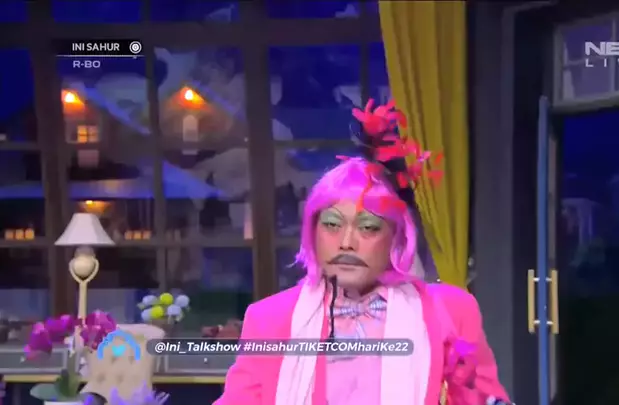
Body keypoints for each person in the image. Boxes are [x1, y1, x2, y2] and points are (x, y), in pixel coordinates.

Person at [214, 100, 513, 405]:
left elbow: (484, 399)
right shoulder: (269, 319)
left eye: (368, 227)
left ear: (397, 237)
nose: (347, 242)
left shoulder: (449, 311)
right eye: (332, 225)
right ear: (313, 232)